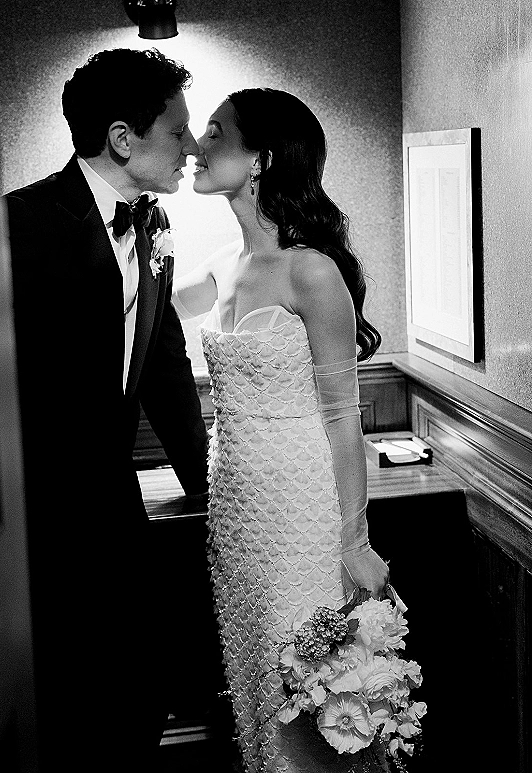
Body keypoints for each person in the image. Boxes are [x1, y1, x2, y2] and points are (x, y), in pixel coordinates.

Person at [172, 88, 390, 771]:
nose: (196, 149)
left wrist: (353, 539)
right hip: (235, 517)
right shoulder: (220, 266)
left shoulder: (312, 271)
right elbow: (128, 313)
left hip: (302, 515)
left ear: (261, 159)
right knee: (260, 694)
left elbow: (341, 416)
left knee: (313, 695)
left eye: (213, 134)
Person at [4, 49, 208, 771]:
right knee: (63, 718)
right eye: (177, 132)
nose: (191, 148)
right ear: (124, 137)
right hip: (35, 527)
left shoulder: (154, 230)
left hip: (117, 514)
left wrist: (213, 487)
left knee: (140, 699)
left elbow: (165, 369)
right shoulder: (18, 225)